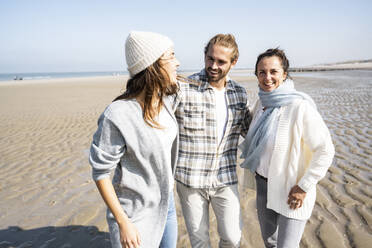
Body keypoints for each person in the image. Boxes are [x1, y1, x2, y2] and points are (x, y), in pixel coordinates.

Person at [89, 31, 180, 248]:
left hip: (167, 206)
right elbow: (100, 173)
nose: (178, 62)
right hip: (134, 213)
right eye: (171, 56)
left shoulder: (167, 100)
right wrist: (123, 222)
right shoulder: (118, 114)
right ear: (153, 65)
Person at [239, 48, 335, 248]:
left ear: (284, 74)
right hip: (263, 186)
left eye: (273, 71)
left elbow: (325, 150)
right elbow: (253, 135)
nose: (268, 77)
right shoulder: (261, 104)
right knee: (270, 243)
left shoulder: (299, 107)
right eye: (262, 72)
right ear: (256, 75)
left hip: (292, 190)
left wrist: (303, 186)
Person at [174, 34, 251, 247]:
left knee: (233, 238)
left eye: (221, 61)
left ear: (233, 62)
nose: (213, 66)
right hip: (190, 181)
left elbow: (251, 131)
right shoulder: (183, 88)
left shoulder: (239, 93)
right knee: (200, 241)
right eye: (210, 59)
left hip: (225, 178)